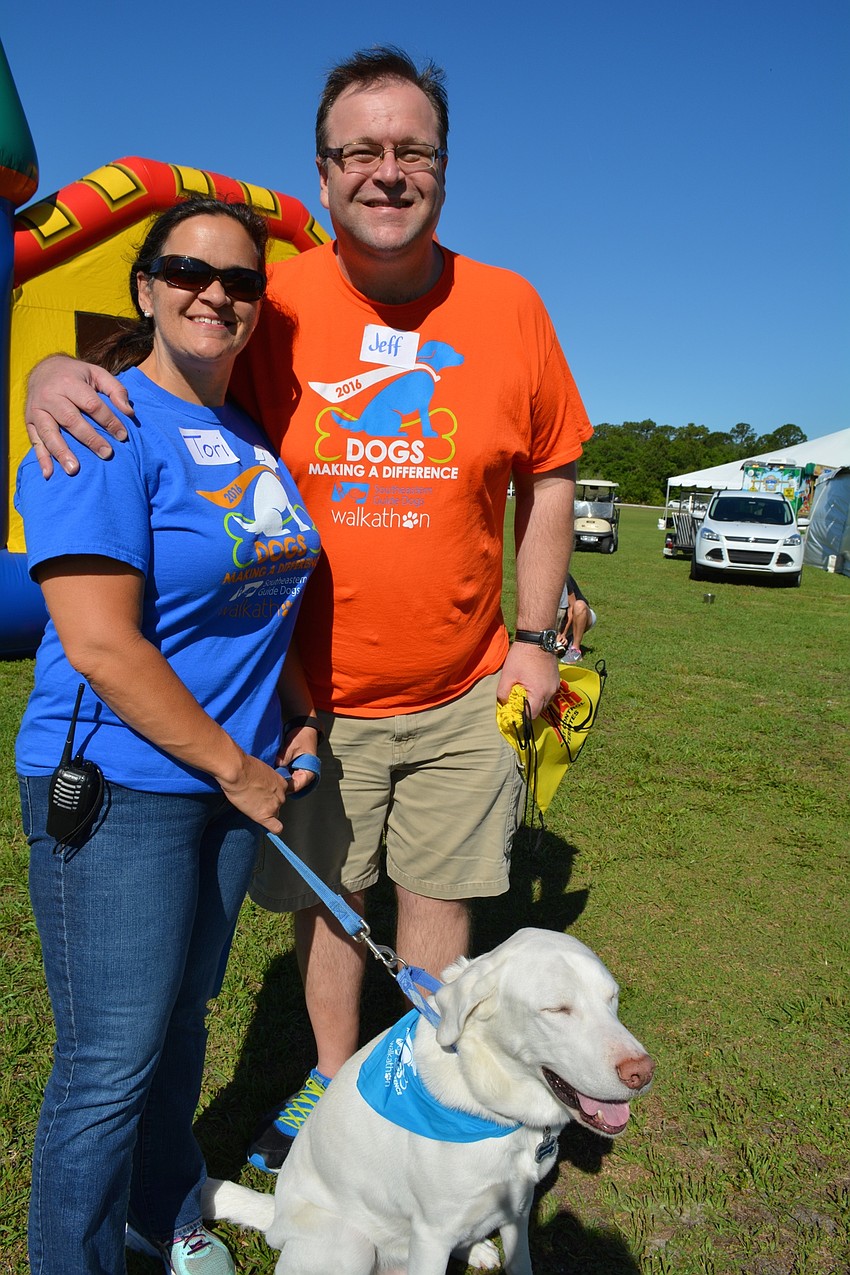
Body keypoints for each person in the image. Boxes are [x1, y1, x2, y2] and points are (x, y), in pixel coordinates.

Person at [24, 46, 594, 1175]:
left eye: (412, 150)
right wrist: (55, 370)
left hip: (463, 679)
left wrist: (534, 638)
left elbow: (550, 477)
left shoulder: (509, 305)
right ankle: (334, 1076)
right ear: (323, 173)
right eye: (360, 151)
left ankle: (425, 1080)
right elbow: (168, 375)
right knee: (329, 900)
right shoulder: (269, 301)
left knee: (439, 890)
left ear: (443, 167)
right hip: (307, 695)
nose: (388, 171)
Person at [16, 196, 322, 1274]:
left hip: (228, 786)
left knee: (183, 1021)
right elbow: (101, 644)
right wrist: (240, 769)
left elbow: (262, 600)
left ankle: (160, 1213)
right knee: (109, 1061)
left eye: (240, 281)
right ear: (145, 289)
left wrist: (297, 719)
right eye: (189, 271)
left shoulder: (249, 436)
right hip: (123, 785)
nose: (215, 294)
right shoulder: (96, 421)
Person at [555, 574, 597, 663]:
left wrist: (563, 634)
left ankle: (575, 650)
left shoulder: (562, 577)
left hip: (580, 617)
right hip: (556, 621)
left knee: (579, 605)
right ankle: (563, 642)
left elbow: (571, 608)